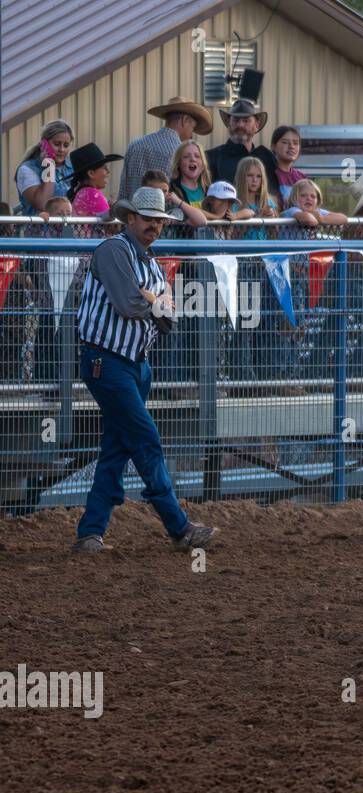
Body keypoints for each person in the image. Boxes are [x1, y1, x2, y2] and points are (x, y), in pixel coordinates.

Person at [71, 187, 217, 553]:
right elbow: (129, 303)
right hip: (109, 361)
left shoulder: (147, 262)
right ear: (130, 218)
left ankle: (91, 531)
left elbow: (166, 314)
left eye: (159, 221)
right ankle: (179, 527)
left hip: (132, 363)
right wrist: (153, 301)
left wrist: (152, 301)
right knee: (146, 439)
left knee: (118, 449)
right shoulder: (114, 249)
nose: (155, 226)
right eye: (148, 219)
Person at [118, 97, 212, 201]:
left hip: (133, 215)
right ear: (184, 120)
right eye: (192, 128)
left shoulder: (134, 145)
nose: (191, 135)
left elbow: (123, 193)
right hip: (164, 216)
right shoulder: (179, 153)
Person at [205, 98, 277, 190]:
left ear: (257, 125)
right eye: (235, 120)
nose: (240, 125)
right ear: (228, 123)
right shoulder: (211, 157)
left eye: (246, 121)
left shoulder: (267, 158)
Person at [15, 120, 74, 216]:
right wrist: (49, 167)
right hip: (37, 230)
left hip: (67, 230)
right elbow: (43, 204)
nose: (62, 149)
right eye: (57, 144)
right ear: (44, 144)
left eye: (66, 145)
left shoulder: (72, 167)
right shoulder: (27, 169)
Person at [67, 144, 124, 218]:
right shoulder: (93, 195)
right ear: (91, 173)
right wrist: (115, 209)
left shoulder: (82, 193)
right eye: (104, 168)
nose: (108, 171)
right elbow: (110, 228)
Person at [168, 142, 211, 217]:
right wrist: (216, 216)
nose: (192, 159)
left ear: (203, 164)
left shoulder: (211, 190)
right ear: (178, 163)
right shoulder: (170, 189)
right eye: (186, 156)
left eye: (197, 156)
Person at [267, 126, 304, 209]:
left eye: (296, 143)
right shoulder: (266, 174)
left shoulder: (302, 177)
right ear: (273, 146)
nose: (291, 146)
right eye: (285, 142)